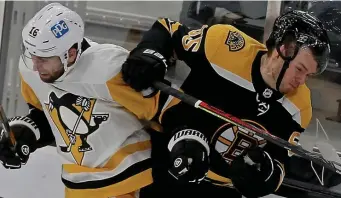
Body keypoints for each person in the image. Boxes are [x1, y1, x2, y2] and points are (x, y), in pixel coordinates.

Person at [121, 10, 331, 198]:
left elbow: (281, 160)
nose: (301, 81)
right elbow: (167, 29)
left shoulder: (300, 106)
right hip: (165, 163)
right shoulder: (225, 45)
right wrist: (150, 53)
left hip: (220, 189)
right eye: (300, 69)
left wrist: (264, 177)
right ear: (282, 50)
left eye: (309, 75)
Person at [0, 3, 172, 198]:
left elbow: (169, 112)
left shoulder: (110, 69)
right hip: (80, 186)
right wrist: (25, 134)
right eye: (32, 54)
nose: (36, 64)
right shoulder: (32, 69)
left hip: (131, 179)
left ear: (70, 54)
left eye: (44, 58)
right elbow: (48, 116)